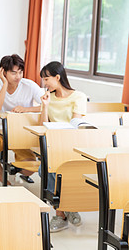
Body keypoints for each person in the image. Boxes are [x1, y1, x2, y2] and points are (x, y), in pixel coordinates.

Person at [0, 54, 44, 185]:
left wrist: (26, 109)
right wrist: (4, 83)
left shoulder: (29, 85)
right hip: (0, 131)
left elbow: (47, 105)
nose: (18, 77)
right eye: (14, 73)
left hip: (22, 133)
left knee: (30, 168)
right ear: (3, 72)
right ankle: (6, 183)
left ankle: (16, 170)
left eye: (20, 72)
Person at [39, 61, 87, 232]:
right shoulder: (48, 98)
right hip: (54, 145)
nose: (44, 84)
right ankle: (68, 208)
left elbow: (76, 123)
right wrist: (44, 107)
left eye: (46, 79)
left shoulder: (78, 96)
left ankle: (61, 214)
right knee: (44, 169)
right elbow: (43, 125)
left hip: (74, 145)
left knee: (60, 170)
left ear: (57, 77)